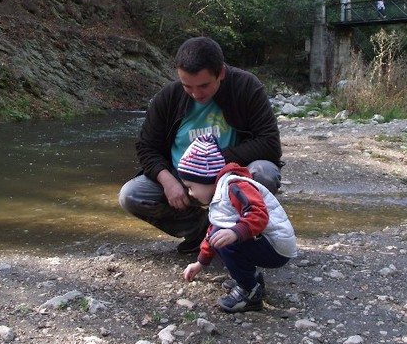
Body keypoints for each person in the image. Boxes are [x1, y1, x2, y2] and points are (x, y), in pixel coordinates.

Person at [118, 36, 282, 254]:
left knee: (264, 173)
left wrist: (210, 163)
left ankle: (242, 235)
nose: (196, 94)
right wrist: (168, 181)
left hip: (232, 176)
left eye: (204, 85)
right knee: (131, 194)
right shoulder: (168, 97)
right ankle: (201, 232)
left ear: (220, 73)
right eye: (188, 86)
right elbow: (147, 147)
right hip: (182, 178)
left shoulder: (245, 86)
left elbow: (269, 143)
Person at [178, 134, 297, 313]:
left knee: (226, 239)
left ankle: (249, 293)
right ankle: (251, 279)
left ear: (206, 179)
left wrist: (234, 233)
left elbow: (258, 214)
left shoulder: (235, 186)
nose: (190, 193)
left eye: (191, 186)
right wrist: (200, 264)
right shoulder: (219, 194)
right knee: (219, 234)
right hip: (265, 241)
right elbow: (212, 233)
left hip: (276, 246)